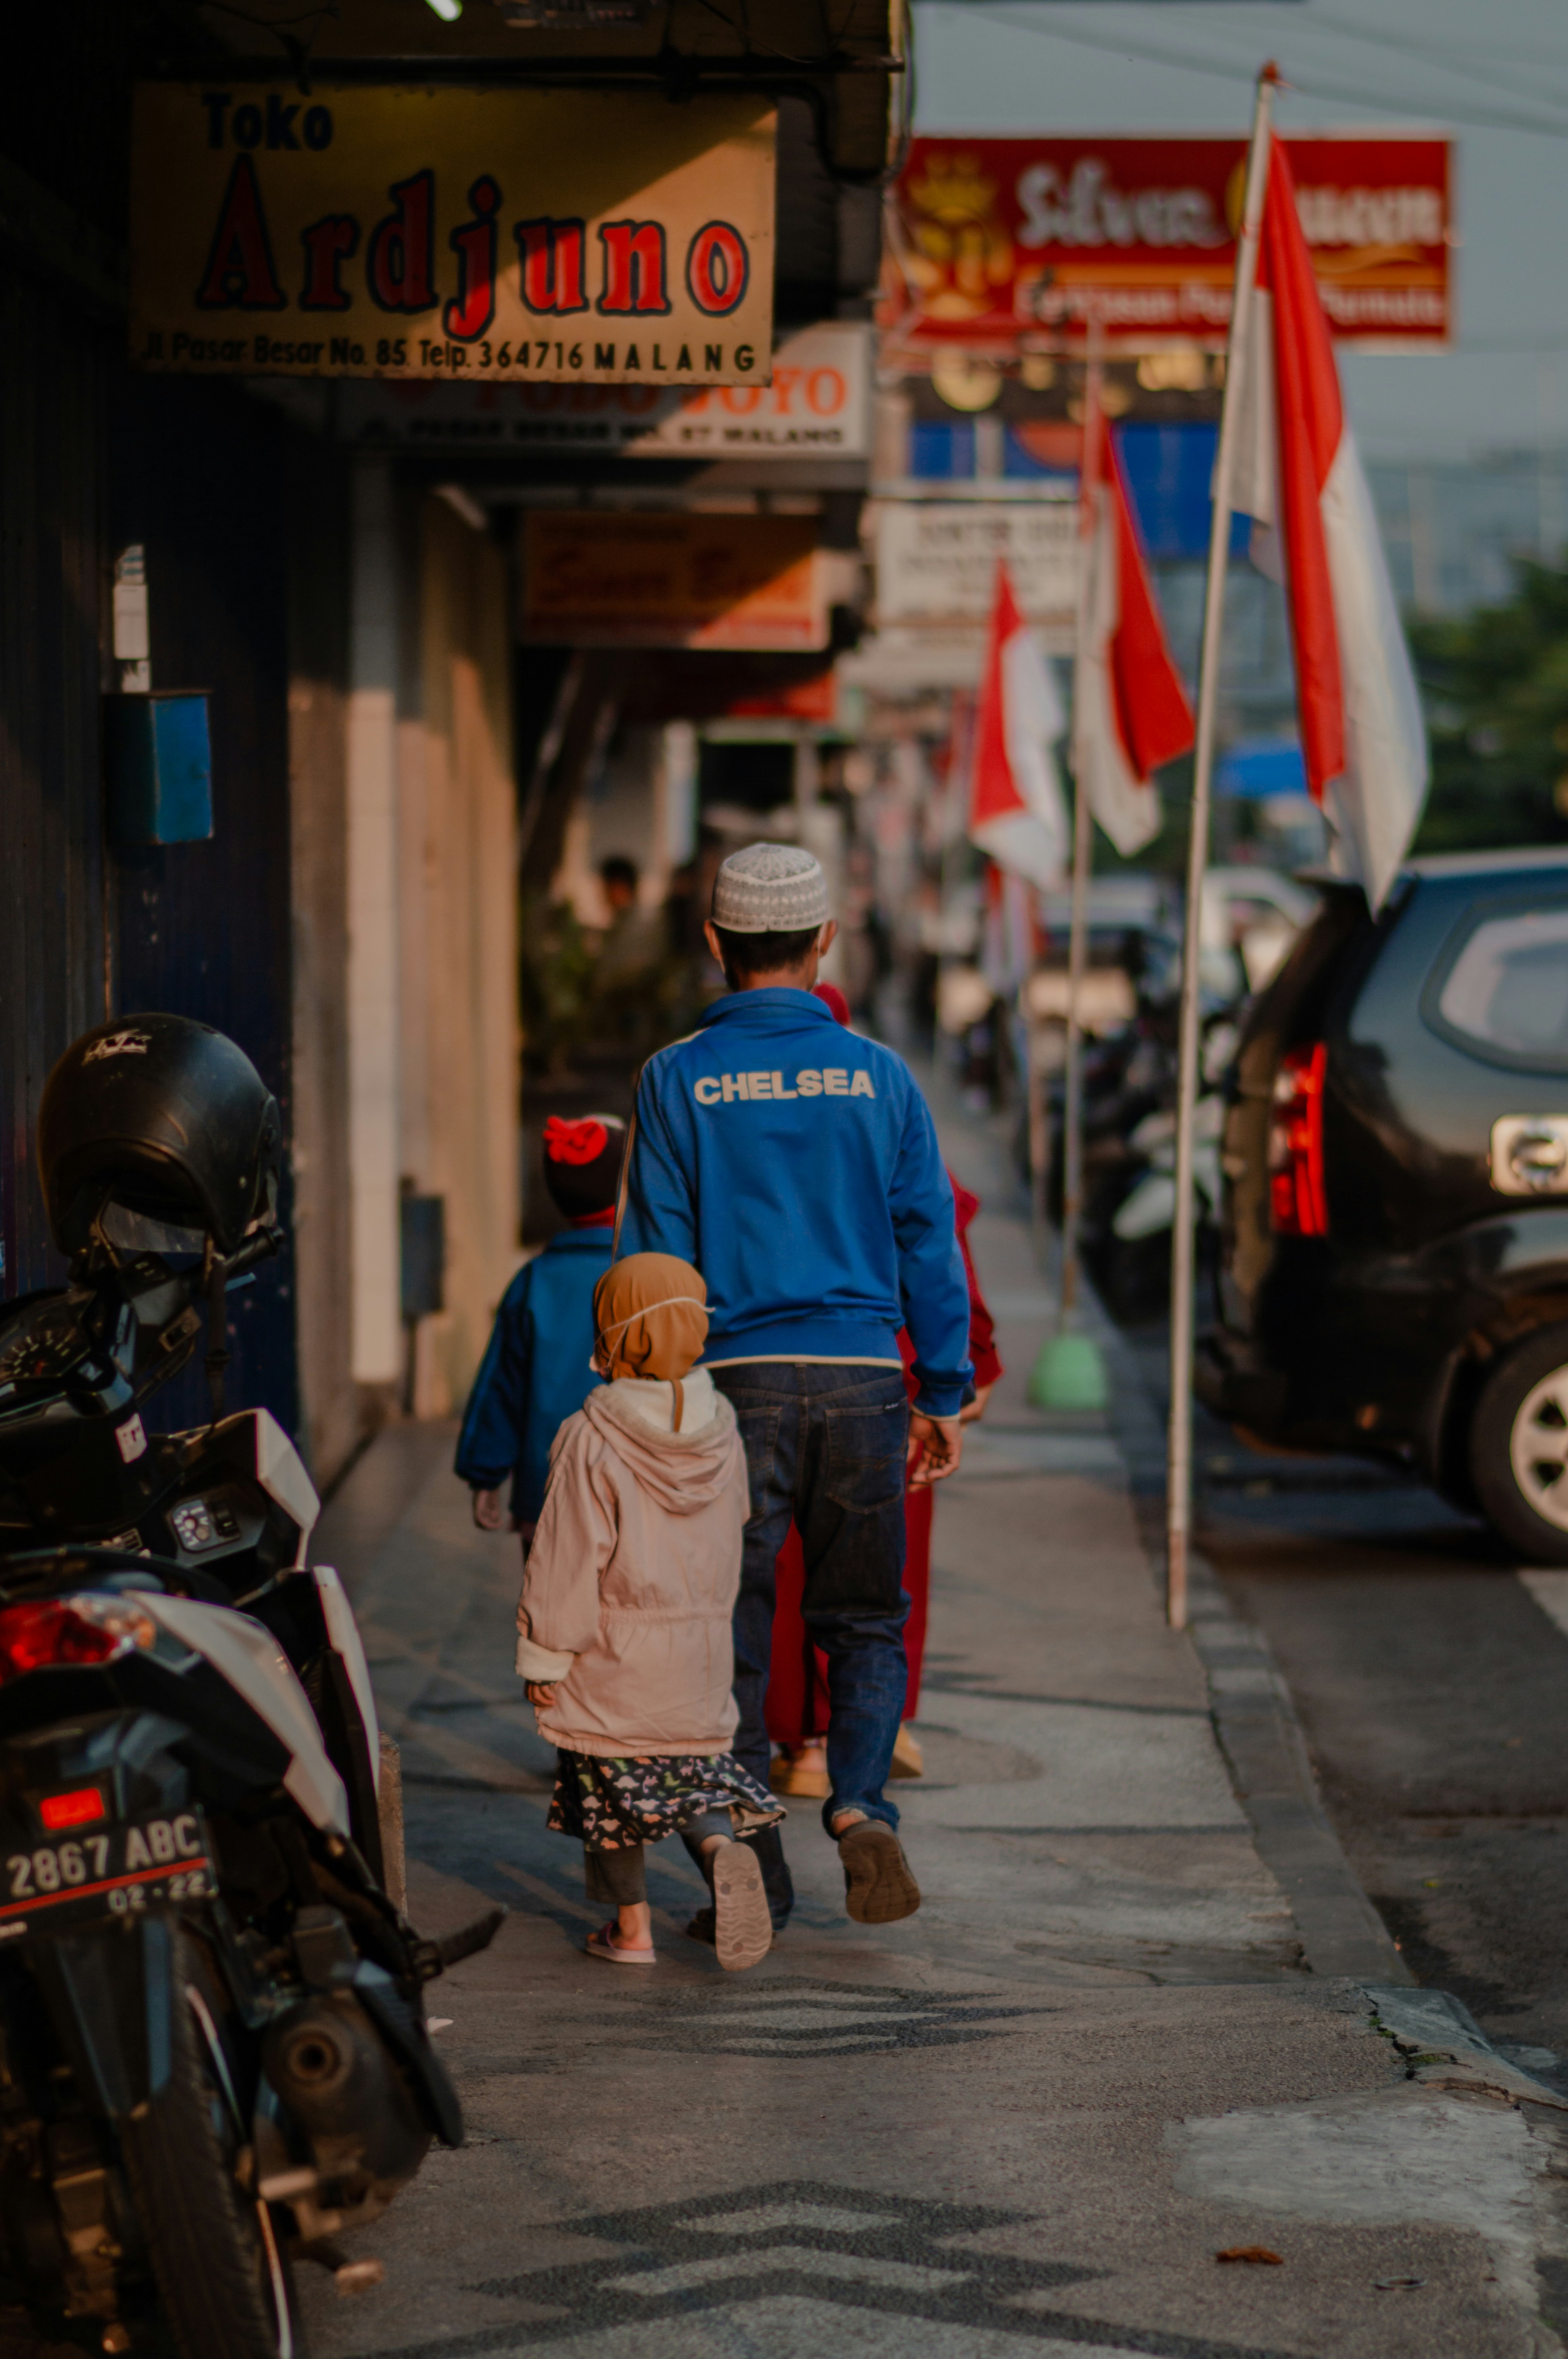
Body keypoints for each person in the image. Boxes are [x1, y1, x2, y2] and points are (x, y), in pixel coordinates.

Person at [614, 841, 972, 1935]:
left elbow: (655, 1262)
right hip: (866, 1376)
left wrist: (651, 1402)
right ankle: (861, 1802)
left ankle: (746, 1854)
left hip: (730, 1386)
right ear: (825, 944)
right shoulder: (881, 1074)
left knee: (726, 1621)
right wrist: (943, 1384)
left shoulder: (675, 1076)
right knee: (865, 1618)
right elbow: (931, 1239)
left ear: (714, 942)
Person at [516, 1252, 780, 1972]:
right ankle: (722, 1848)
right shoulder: (722, 1427)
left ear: (615, 1330)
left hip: (613, 1648)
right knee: (680, 1771)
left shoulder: (591, 1434)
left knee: (606, 1779)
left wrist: (548, 1653)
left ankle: (631, 1930)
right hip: (697, 1649)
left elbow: (568, 1555)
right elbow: (736, 1530)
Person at [769, 993, 1004, 1795]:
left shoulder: (730, 1121)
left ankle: (791, 1742)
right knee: (871, 1592)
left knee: (776, 1572)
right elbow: (942, 1260)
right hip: (884, 1387)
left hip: (754, 1377)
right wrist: (952, 1383)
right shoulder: (886, 1111)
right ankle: (854, 1776)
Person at [455, 1115, 626, 1542]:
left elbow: (500, 1386)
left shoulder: (533, 1282)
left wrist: (484, 1473)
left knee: (548, 1605)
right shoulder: (659, 1277)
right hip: (636, 1490)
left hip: (546, 1491)